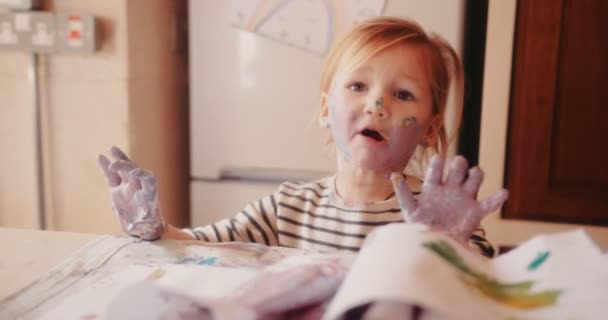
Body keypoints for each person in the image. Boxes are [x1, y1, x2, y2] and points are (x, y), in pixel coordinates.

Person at [98, 16, 508, 258]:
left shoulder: (434, 213)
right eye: (358, 87)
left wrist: (445, 248)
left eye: (402, 94)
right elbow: (199, 247)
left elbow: (483, 285)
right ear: (327, 109)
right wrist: (153, 228)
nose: (377, 105)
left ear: (430, 128)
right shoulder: (288, 207)